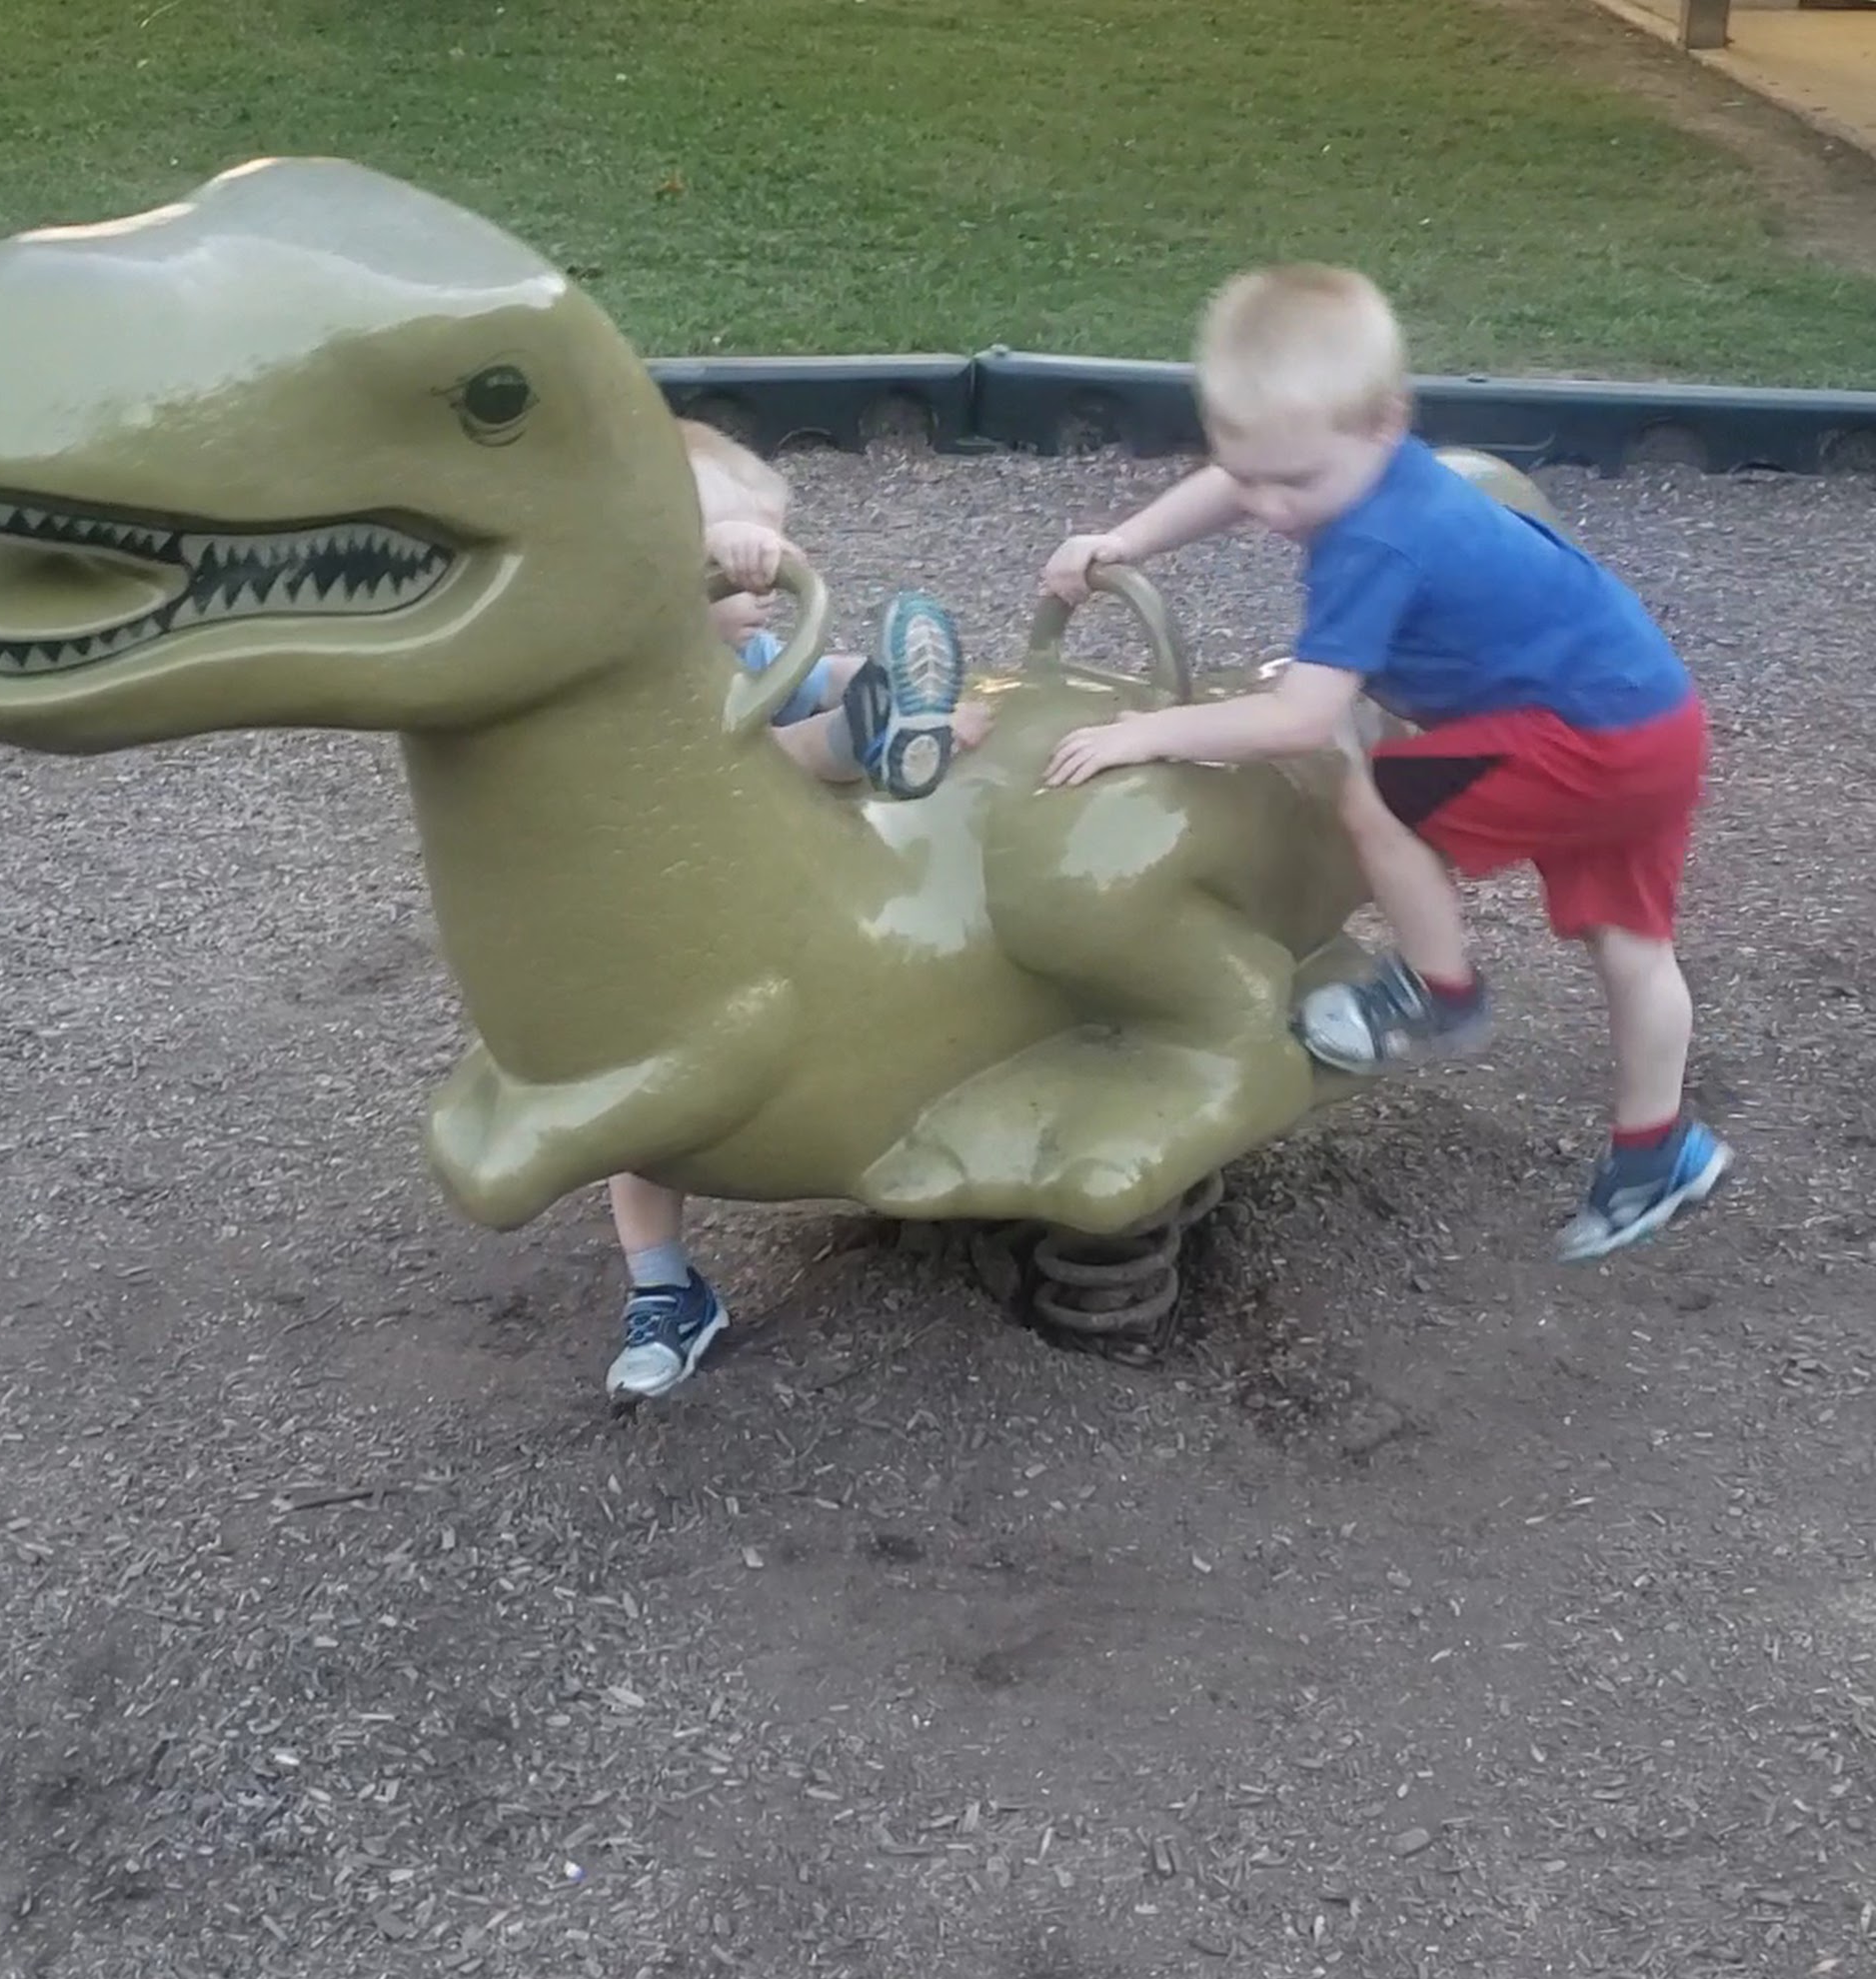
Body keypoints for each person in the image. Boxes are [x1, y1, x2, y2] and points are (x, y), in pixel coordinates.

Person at [1037, 263, 1729, 1263]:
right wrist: (1123, 541)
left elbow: (1299, 718)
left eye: (1295, 483)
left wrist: (1151, 733)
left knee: (1384, 804)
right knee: (1632, 946)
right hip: (1652, 714)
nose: (1272, 508)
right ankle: (1654, 1152)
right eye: (1251, 474)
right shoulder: (1365, 462)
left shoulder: (1374, 541)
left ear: (1383, 421)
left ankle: (1435, 992)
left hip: (1585, 739)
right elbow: (1239, 481)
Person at [603, 421, 987, 1405]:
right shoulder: (631, 676)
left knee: (848, 686)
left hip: (772, 917)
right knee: (639, 1126)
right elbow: (716, 777)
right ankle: (663, 1289)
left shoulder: (754, 651)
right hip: (670, 928)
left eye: (777, 553)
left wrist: (900, 684)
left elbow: (811, 664)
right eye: (740, 566)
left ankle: (893, 717)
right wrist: (709, 560)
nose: (764, 584)